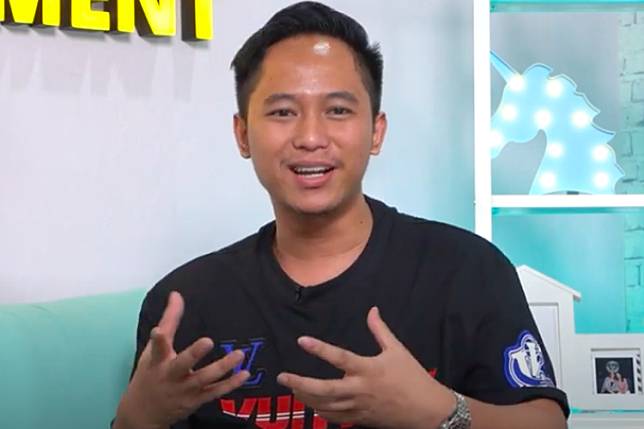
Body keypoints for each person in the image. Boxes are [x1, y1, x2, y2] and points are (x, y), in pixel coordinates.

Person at [113, 2, 569, 428]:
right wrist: (138, 417)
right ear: (243, 134)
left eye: (337, 110)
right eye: (283, 111)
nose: (311, 137)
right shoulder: (186, 304)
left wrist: (442, 411)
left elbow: (547, 422)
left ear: (376, 131)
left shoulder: (466, 270)